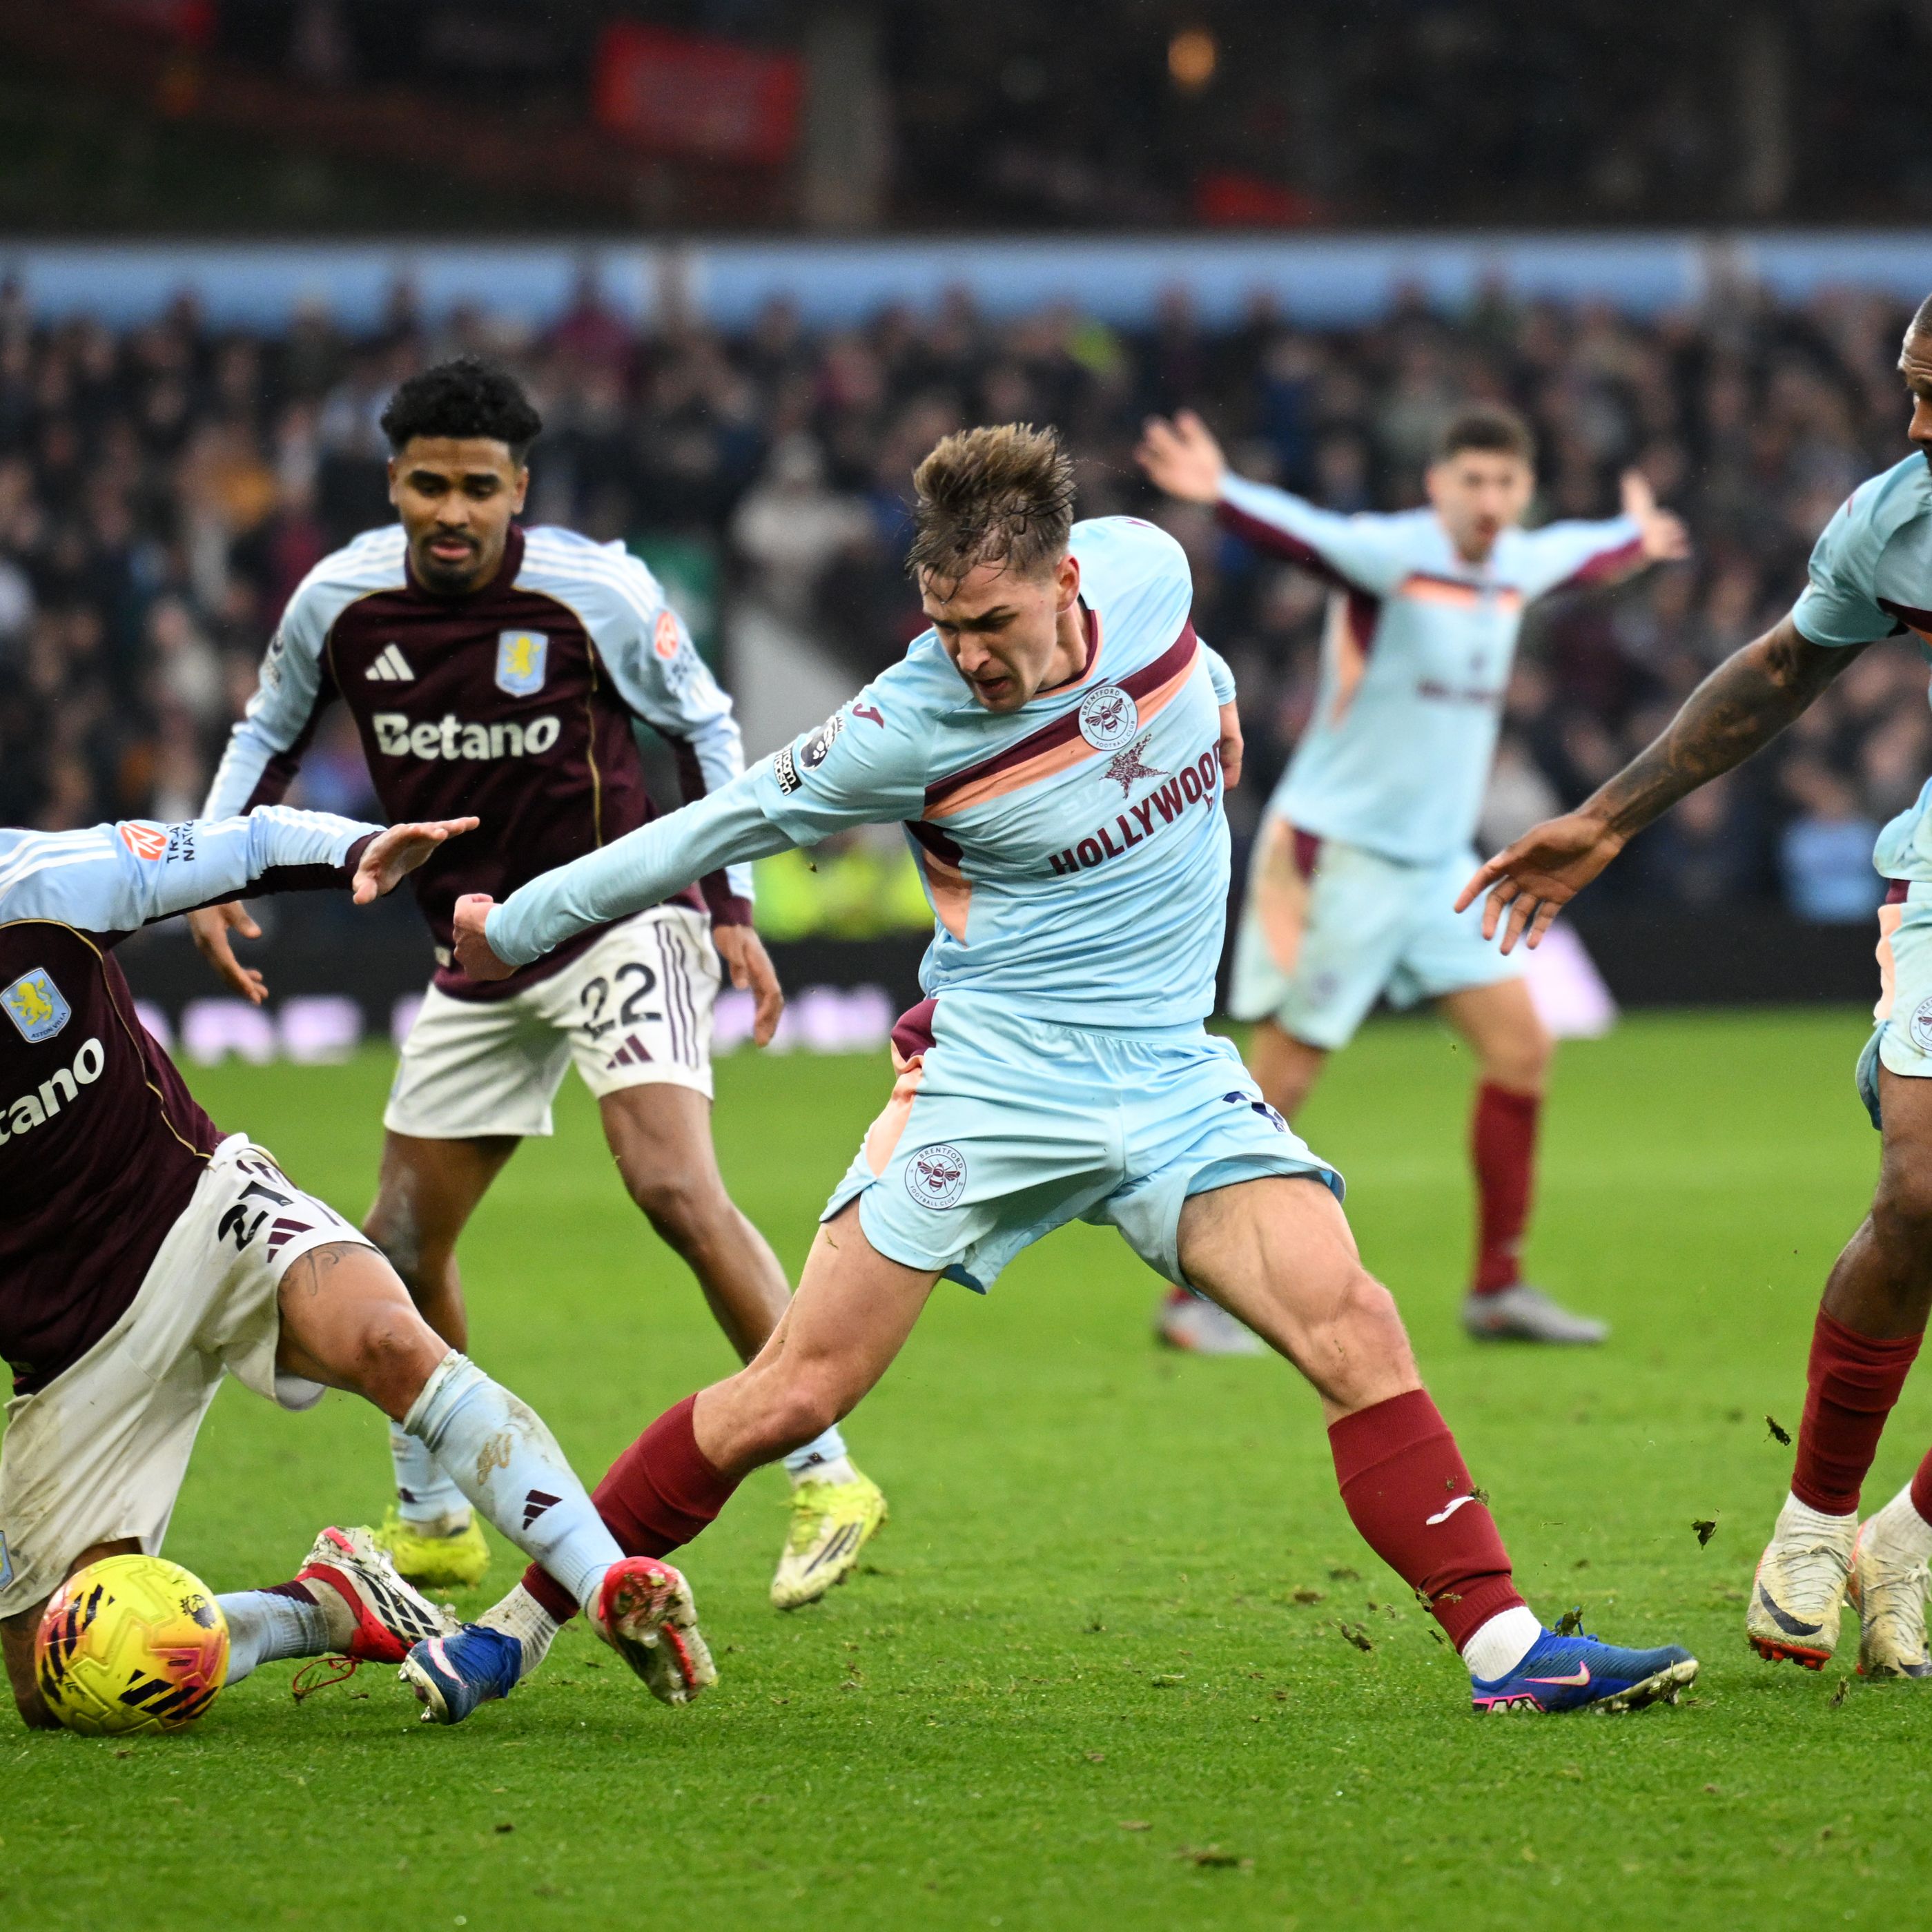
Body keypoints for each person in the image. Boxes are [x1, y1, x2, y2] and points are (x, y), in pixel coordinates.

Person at [406, 423, 1697, 1724]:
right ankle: (512, 1631)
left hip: (1176, 1080)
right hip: (996, 1087)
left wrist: (1231, 709)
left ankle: (1510, 1652)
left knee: (1354, 1323)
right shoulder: (902, 726)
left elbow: (1200, 658)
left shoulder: (1151, 571)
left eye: (993, 620)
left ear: (1068, 579)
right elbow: (712, 822)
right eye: (944, 621)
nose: (968, 652)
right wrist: (508, 924)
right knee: (792, 1392)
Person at [194, 358, 885, 1608]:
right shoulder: (339, 599)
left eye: (476, 488)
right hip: (473, 954)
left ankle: (828, 1470)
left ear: (519, 489)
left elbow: (704, 729)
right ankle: (435, 1516)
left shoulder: (596, 589)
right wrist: (209, 868)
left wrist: (727, 906)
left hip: (622, 915)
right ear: (393, 484)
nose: (450, 512)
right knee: (400, 1240)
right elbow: (267, 731)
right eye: (426, 486)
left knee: (672, 1185)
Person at [0, 806, 712, 1727]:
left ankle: (604, 1578)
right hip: (69, 1351)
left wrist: (351, 849)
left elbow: (245, 847)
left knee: (385, 1337)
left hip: (200, 1214)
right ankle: (324, 1605)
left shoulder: (36, 888)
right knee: (59, 1687)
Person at [1459, 295, 1932, 1679]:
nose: (1912, 421)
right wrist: (1607, 816)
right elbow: (1787, 662)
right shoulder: (1893, 519)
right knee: (1920, 1188)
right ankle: (1812, 1515)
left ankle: (1906, 1535)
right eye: (1908, 388)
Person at [1135, 405, 1688, 1347]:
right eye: (1470, 480)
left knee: (1522, 1049)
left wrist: (1636, 536)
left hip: (1439, 866)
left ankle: (1496, 1289)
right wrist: (1221, 492)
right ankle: (1194, 1299)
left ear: (1523, 493)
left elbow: (1580, 556)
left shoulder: (1511, 566)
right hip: (1338, 855)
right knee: (1282, 1080)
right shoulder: (1392, 556)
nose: (1487, 499)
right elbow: (1300, 535)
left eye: (1505, 484)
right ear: (1437, 485)